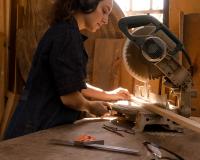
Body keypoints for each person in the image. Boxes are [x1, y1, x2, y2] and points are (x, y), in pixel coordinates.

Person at [4, 0, 131, 139]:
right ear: (88, 3)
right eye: (104, 11)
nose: (106, 20)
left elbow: (72, 83)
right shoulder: (67, 36)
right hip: (36, 127)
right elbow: (70, 97)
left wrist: (109, 94)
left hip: (36, 122)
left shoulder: (65, 31)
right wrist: (90, 106)